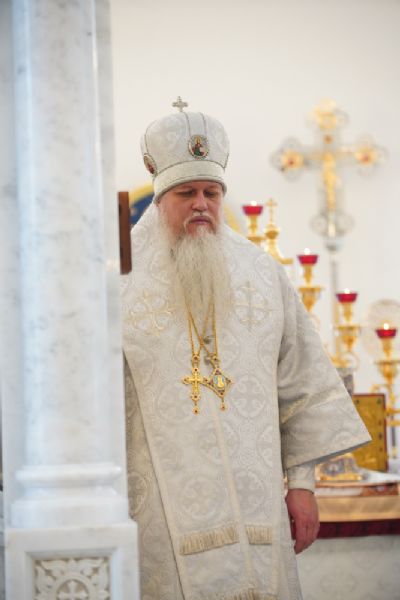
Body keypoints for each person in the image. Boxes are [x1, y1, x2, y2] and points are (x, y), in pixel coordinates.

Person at [121, 101, 370, 600]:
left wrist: (303, 485)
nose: (201, 204)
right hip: (157, 515)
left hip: (258, 509)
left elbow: (301, 385)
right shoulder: (120, 282)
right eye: (187, 193)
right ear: (161, 198)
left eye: (211, 193)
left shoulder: (261, 272)